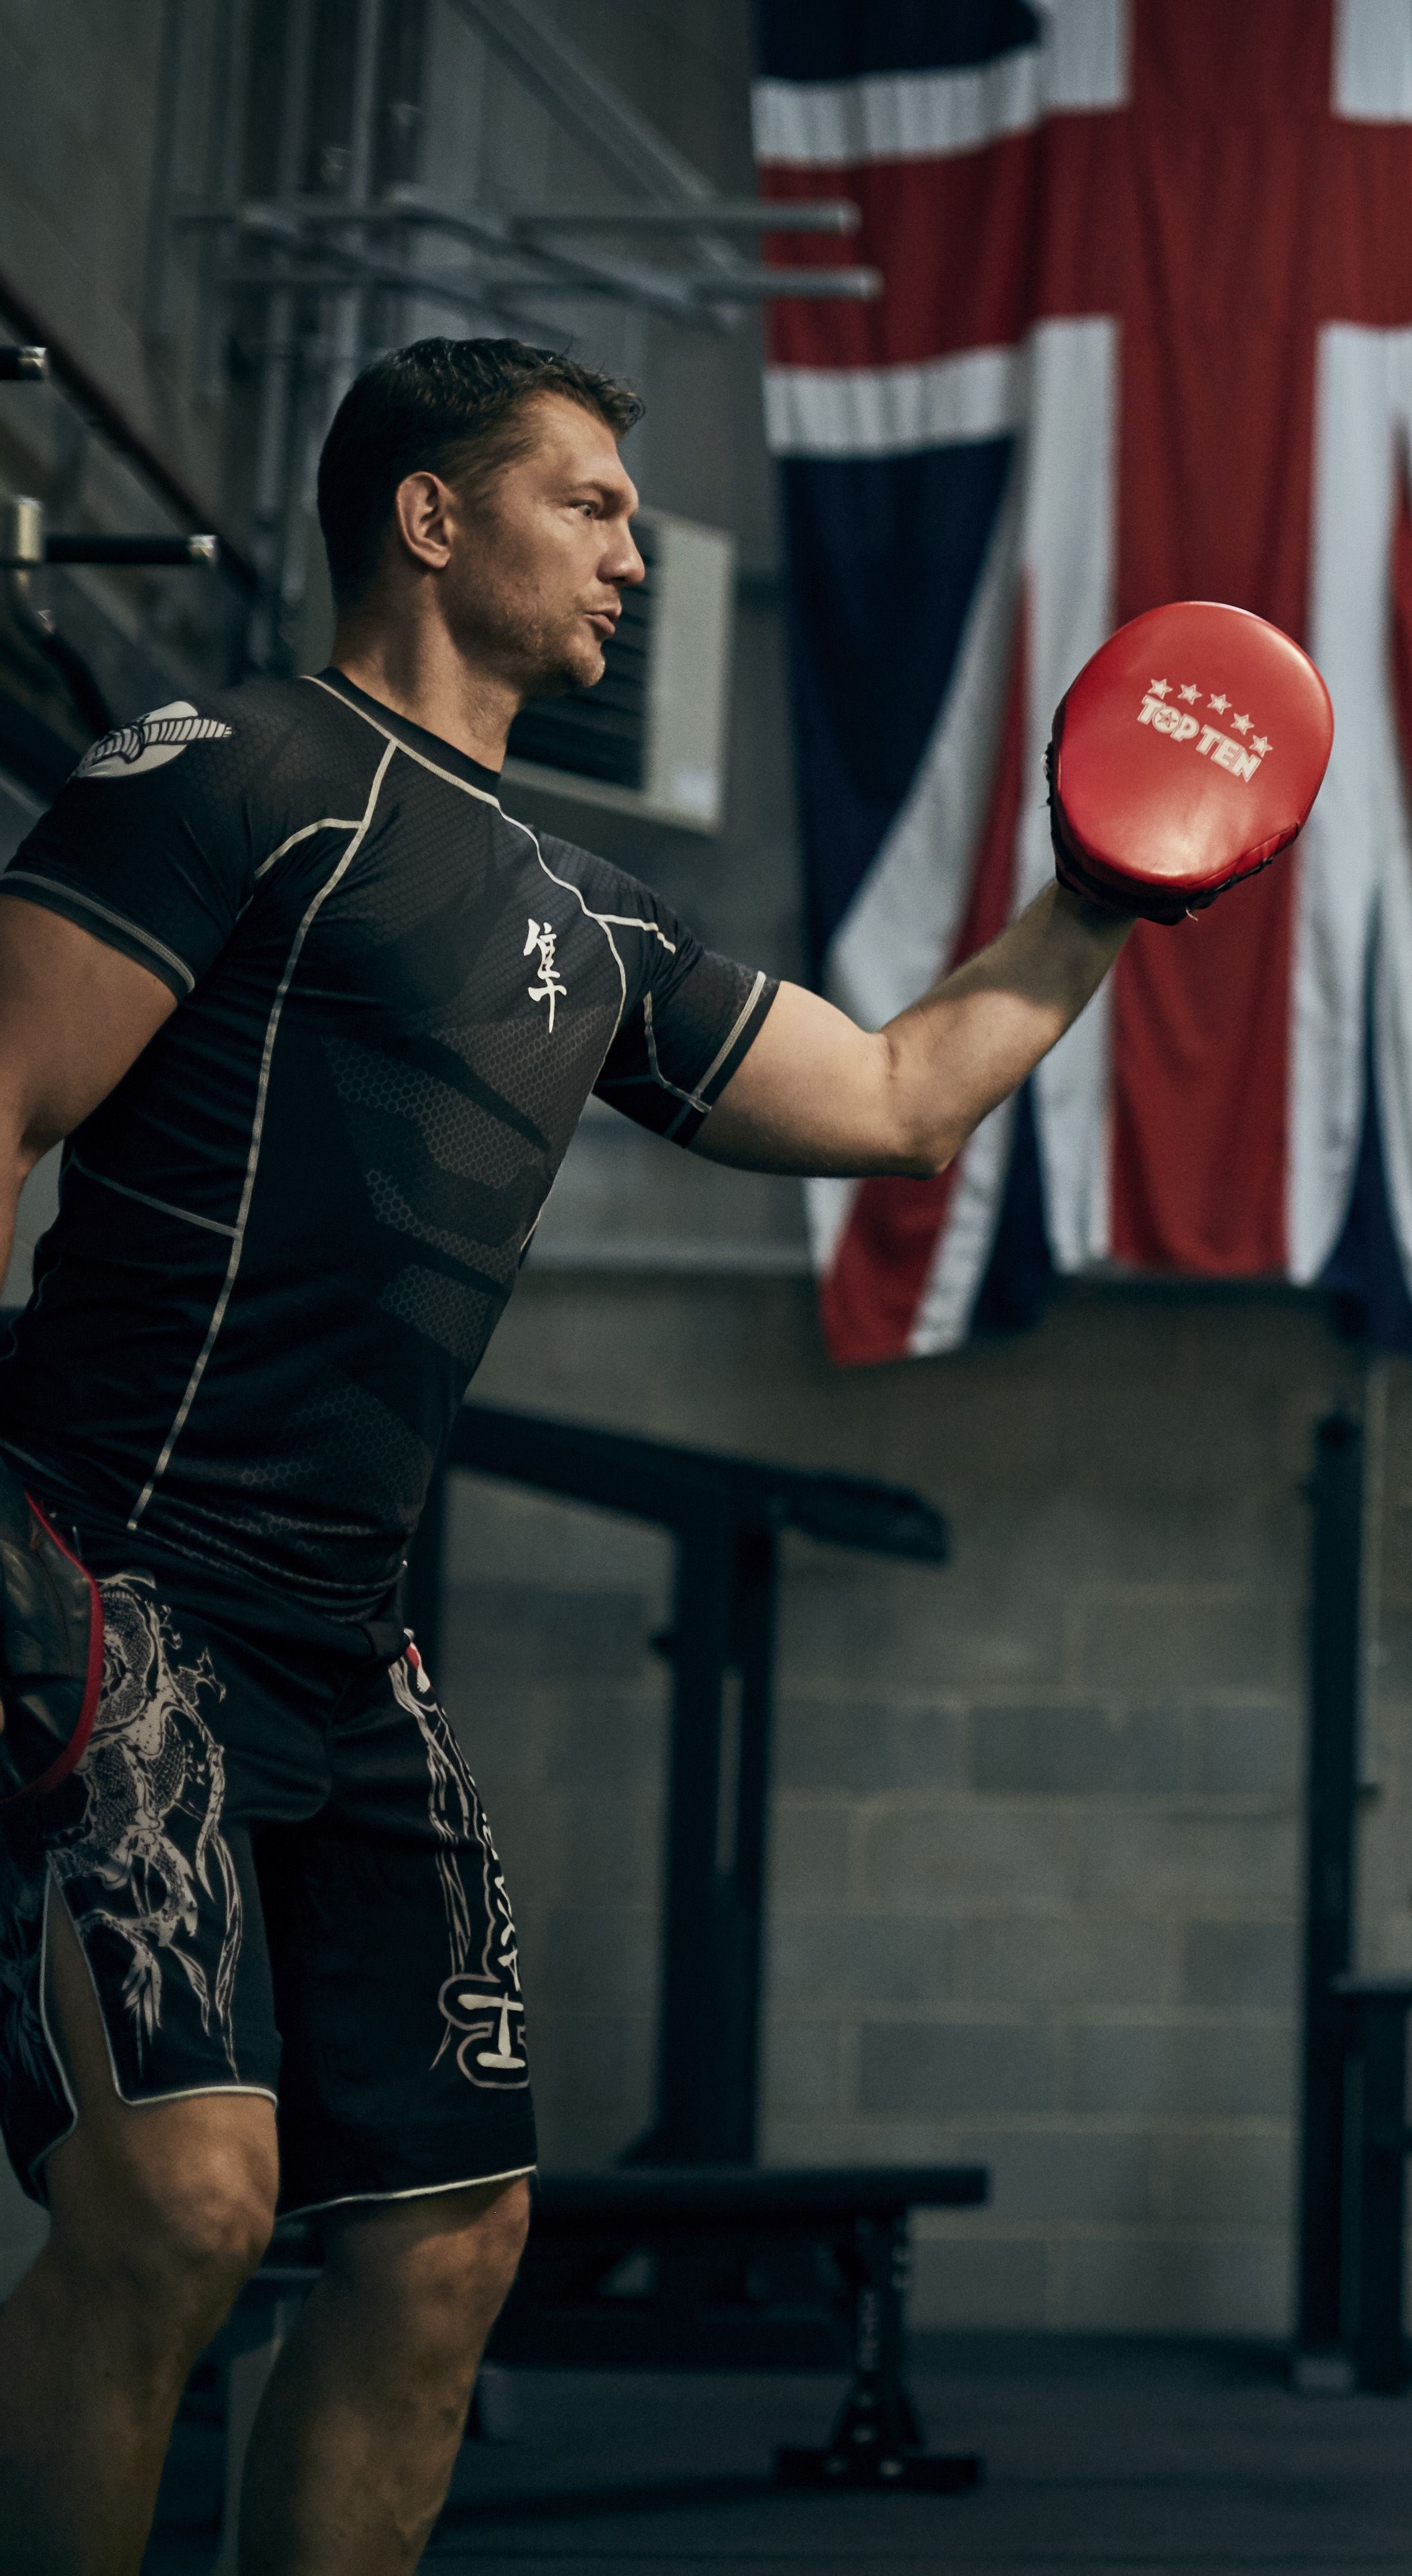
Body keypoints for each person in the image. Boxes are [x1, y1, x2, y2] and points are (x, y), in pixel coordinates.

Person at [0, 339, 1177, 2574]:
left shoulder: (585, 914)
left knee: (448, 2240)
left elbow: (909, 1091)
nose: (640, 544)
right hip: (100, 1569)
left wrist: (1111, 886)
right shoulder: (247, 768)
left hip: (343, 1648)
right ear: (432, 519)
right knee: (181, 2207)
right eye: (595, 500)